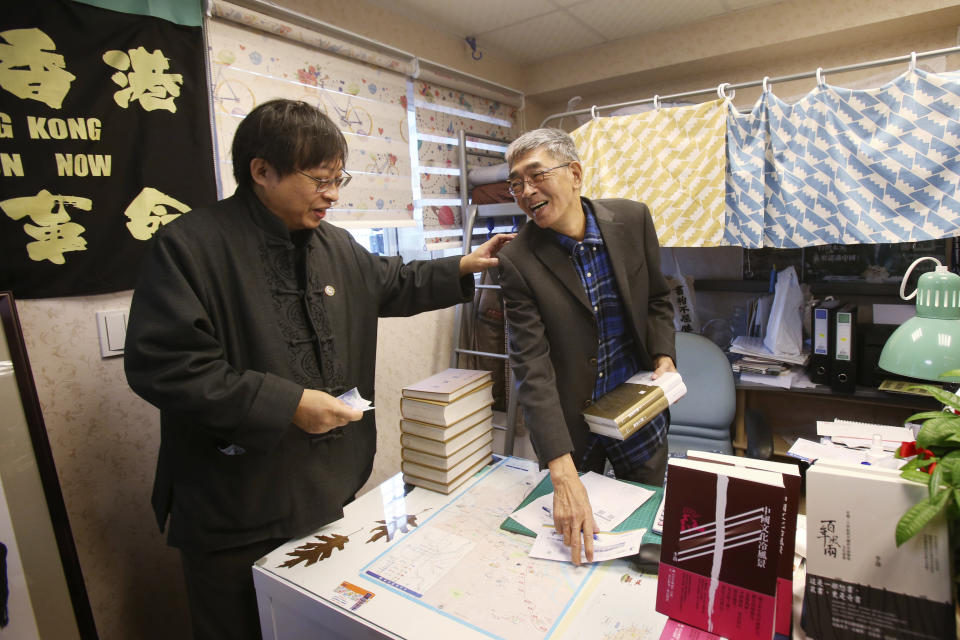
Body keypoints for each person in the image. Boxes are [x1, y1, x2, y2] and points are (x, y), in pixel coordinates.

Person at [123, 99, 511, 640]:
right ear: (261, 171)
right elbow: (163, 365)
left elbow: (393, 282)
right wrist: (288, 405)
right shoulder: (189, 246)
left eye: (339, 178)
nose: (333, 193)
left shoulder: (335, 244)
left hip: (326, 491)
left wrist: (466, 265)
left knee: (312, 625)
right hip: (236, 505)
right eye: (320, 178)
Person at [496, 128, 676, 566]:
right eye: (516, 182)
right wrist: (560, 469)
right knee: (578, 544)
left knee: (647, 542)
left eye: (536, 175)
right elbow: (531, 367)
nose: (525, 191)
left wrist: (663, 356)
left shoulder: (632, 220)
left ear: (574, 174)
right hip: (572, 427)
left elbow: (658, 297)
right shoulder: (518, 260)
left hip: (637, 412)